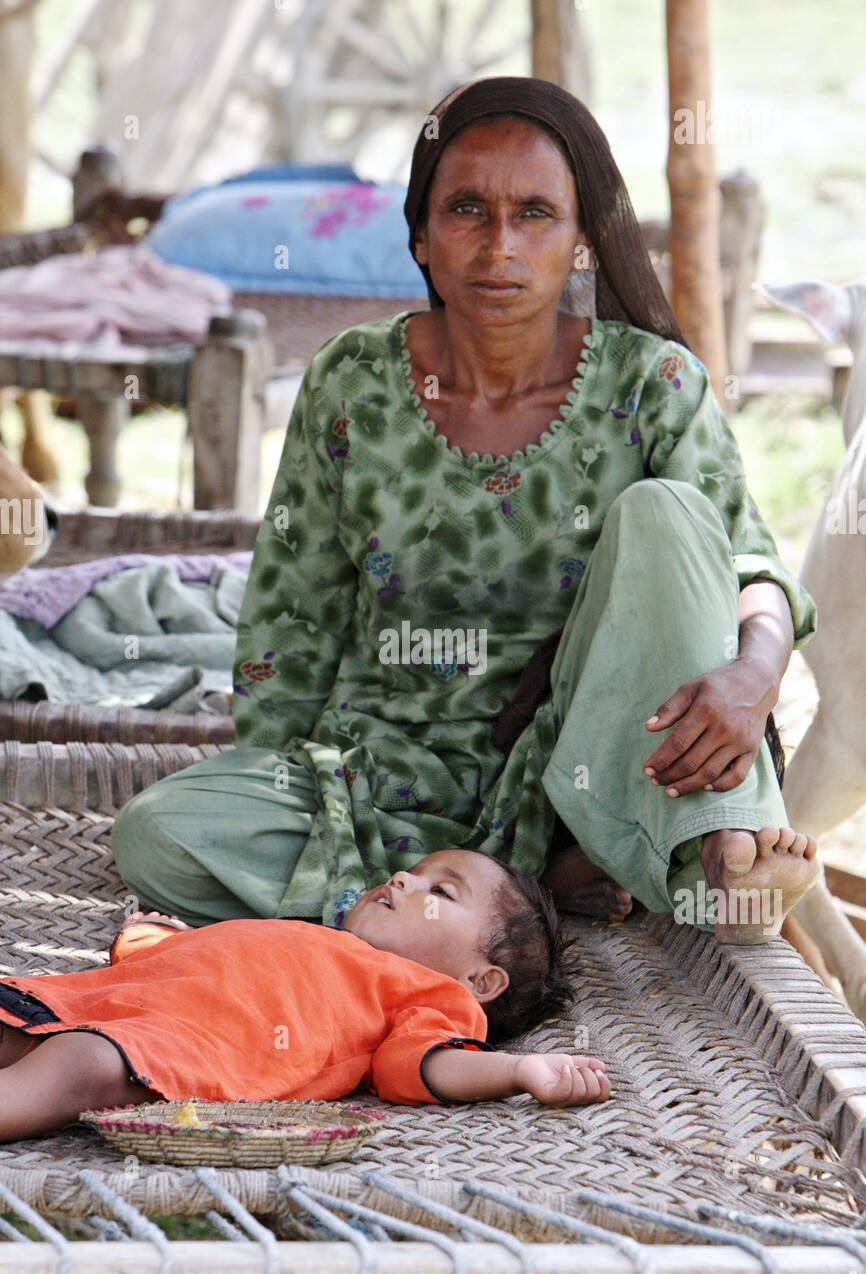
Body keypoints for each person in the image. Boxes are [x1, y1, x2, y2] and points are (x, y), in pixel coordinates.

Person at [110, 75, 819, 947]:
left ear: (584, 240)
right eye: (467, 210)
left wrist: (754, 677)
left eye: (535, 214)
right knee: (158, 833)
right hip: (389, 782)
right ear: (419, 233)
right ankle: (529, 886)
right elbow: (290, 621)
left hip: (583, 765)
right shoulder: (351, 382)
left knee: (670, 512)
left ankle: (722, 850)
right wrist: (279, 777)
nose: (499, 247)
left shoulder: (653, 386)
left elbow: (752, 569)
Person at [0, 850, 610, 1142]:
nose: (403, 878)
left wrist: (517, 1070)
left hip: (170, 1054)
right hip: (82, 1002)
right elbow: (193, 962)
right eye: (413, 869)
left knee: (79, 1066)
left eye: (440, 892)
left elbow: (423, 1064)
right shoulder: (315, 938)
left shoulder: (431, 996)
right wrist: (153, 939)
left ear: (480, 981)